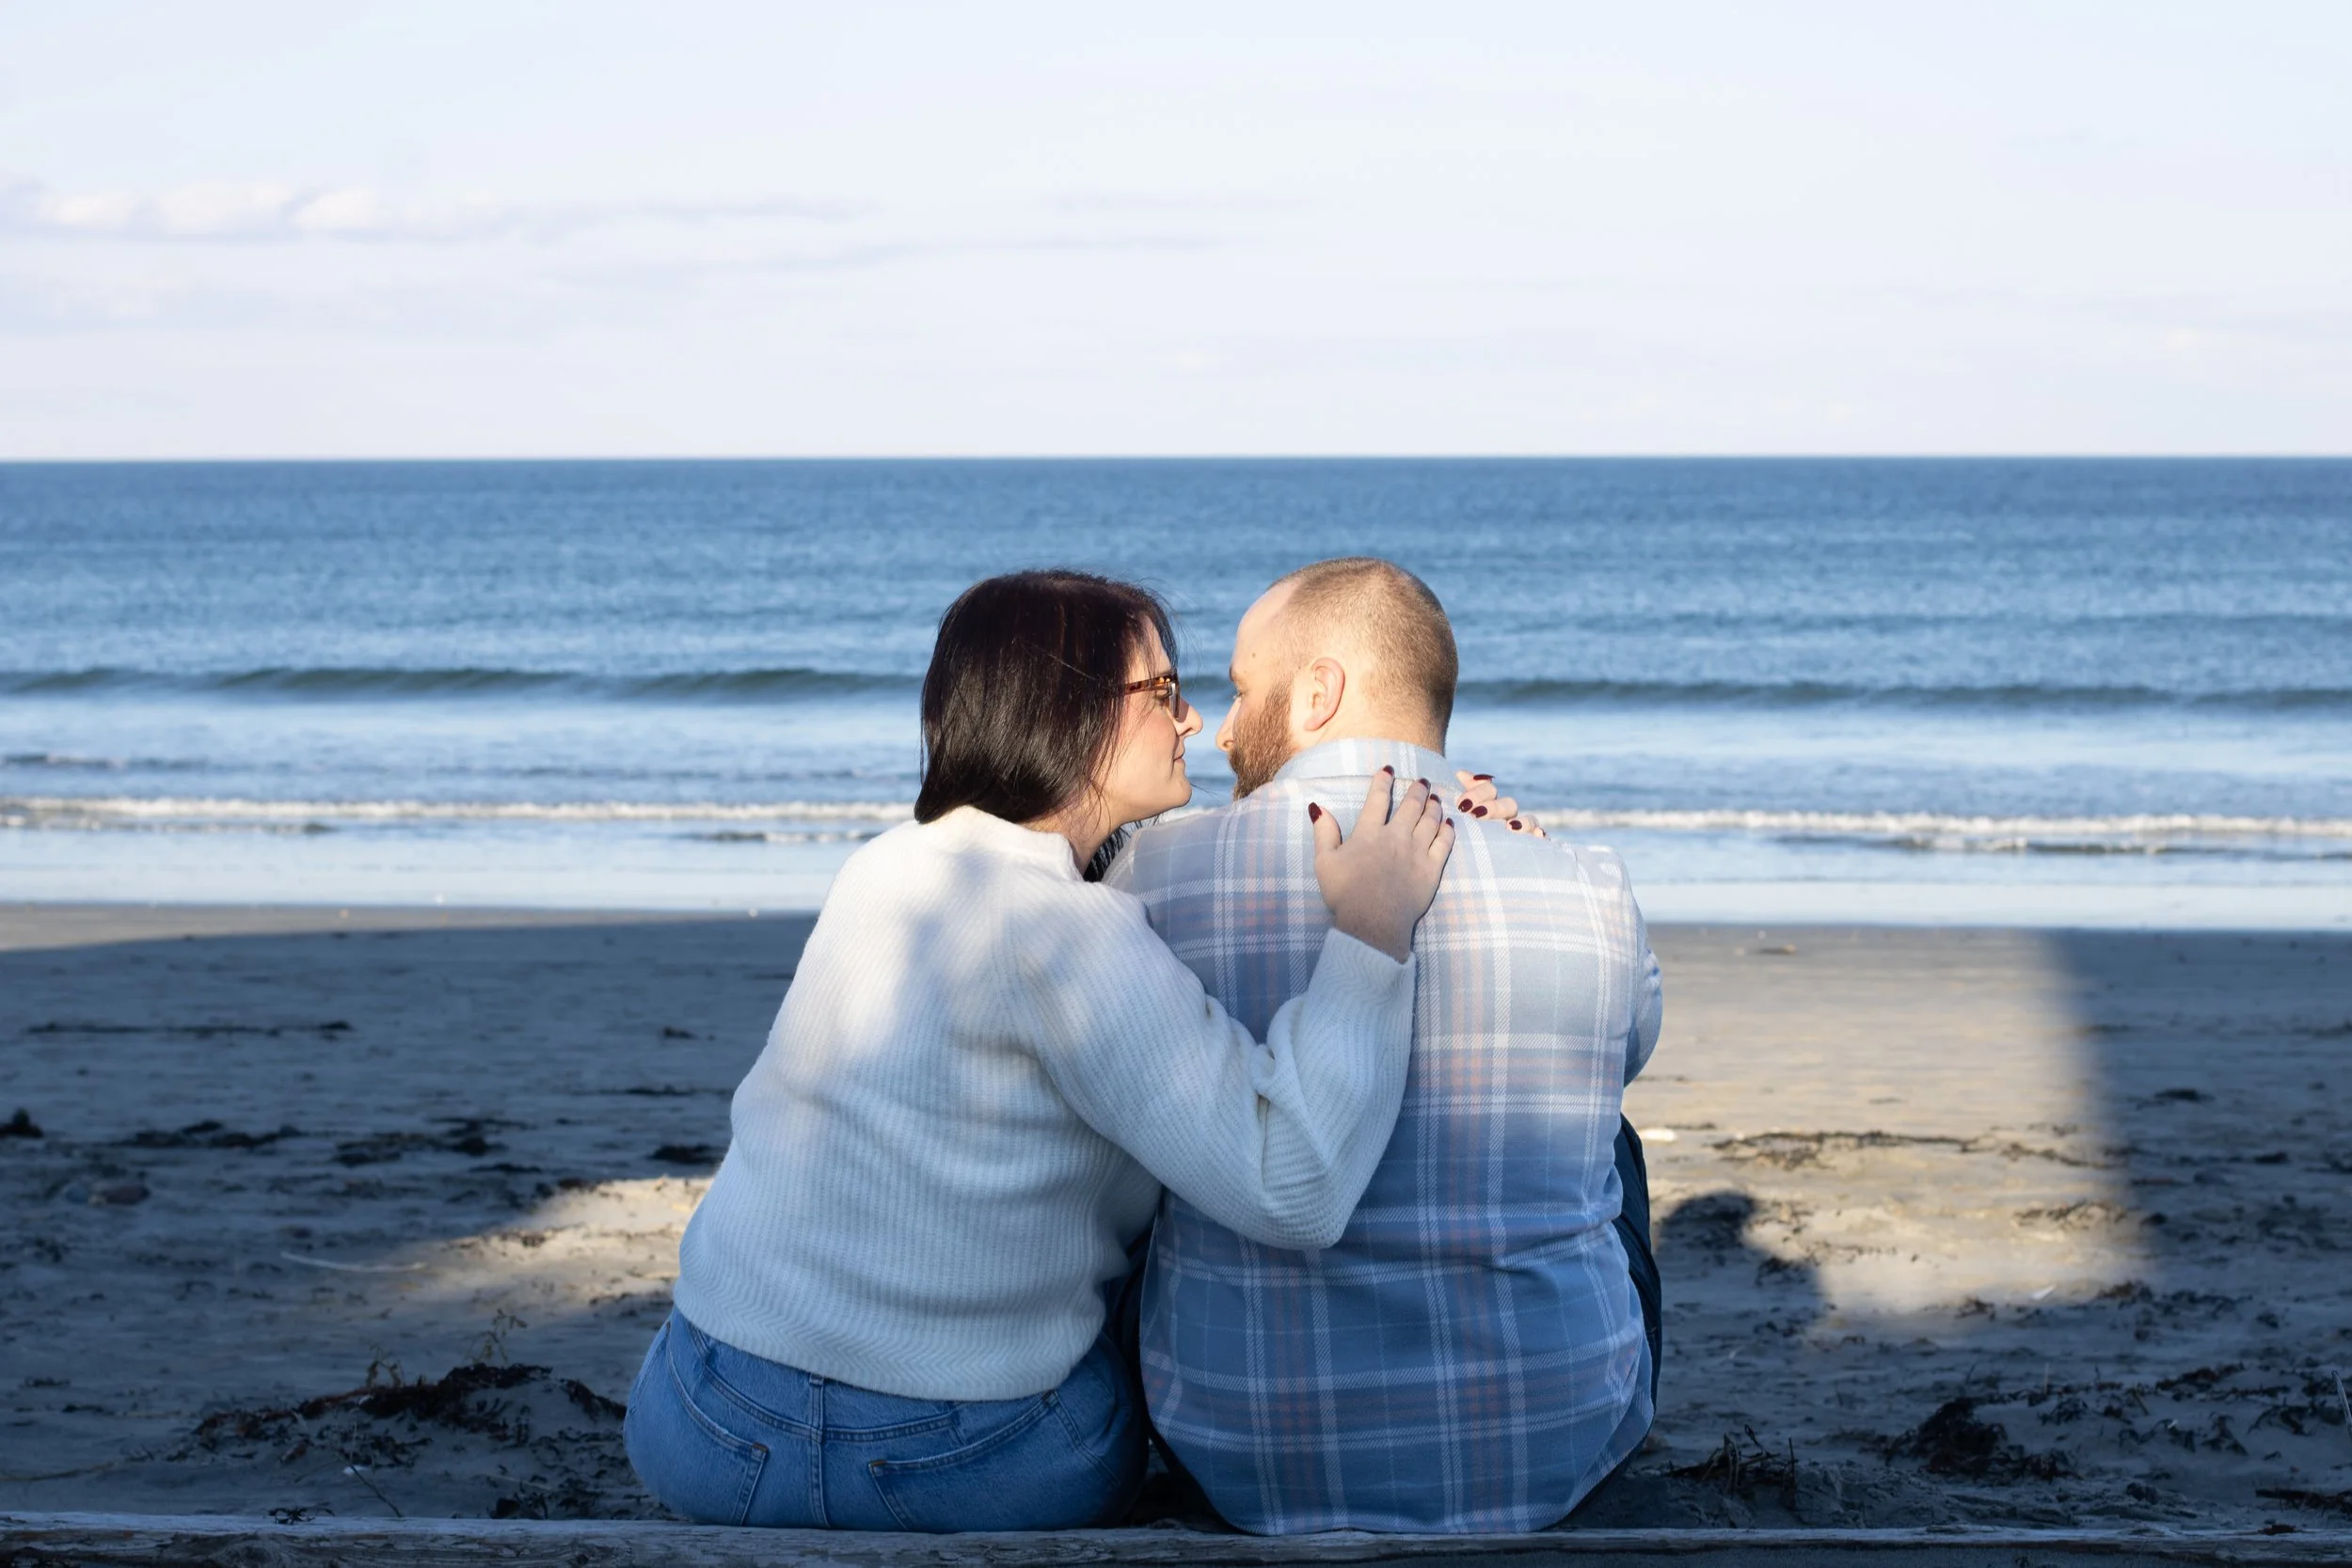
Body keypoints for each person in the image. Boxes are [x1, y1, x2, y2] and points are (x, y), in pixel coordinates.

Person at [623, 569, 1455, 1532]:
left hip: (702, 1426)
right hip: (954, 1461)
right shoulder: (1076, 936)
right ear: (1071, 713)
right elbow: (1292, 1184)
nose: (1191, 721)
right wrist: (1371, 931)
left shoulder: (889, 866)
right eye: (1162, 691)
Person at [1107, 557, 1664, 1533]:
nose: (1226, 727)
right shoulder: (1591, 882)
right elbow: (1624, 1052)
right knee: (1605, 1128)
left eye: (1242, 689)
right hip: (1557, 1441)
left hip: (1240, 1456)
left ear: (1317, 690)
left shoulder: (1149, 873)